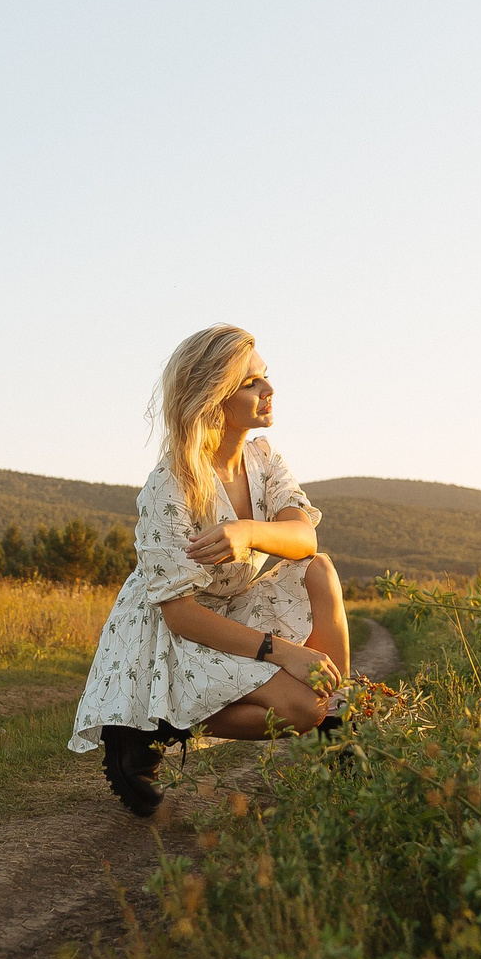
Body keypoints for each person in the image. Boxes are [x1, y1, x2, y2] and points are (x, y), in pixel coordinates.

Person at [69, 324, 353, 815]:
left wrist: (247, 531)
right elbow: (180, 614)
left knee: (319, 569)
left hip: (236, 601)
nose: (268, 390)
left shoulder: (263, 457)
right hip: (174, 631)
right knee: (300, 707)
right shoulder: (170, 484)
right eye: (251, 383)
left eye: (265, 377)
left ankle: (341, 727)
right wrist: (282, 652)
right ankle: (154, 726)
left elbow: (305, 538)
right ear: (212, 399)